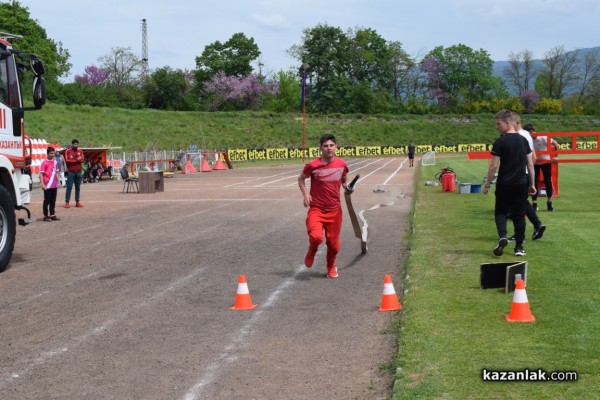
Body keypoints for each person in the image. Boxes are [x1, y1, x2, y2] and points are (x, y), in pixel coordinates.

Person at [482, 110, 536, 257]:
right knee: (519, 215)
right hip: (521, 183)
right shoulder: (523, 140)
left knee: (500, 212)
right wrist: (532, 184)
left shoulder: (500, 141)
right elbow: (530, 164)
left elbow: (493, 166)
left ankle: (503, 236)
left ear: (507, 123)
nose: (497, 127)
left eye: (498, 124)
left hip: (504, 183)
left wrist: (487, 184)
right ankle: (519, 248)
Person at [298, 134, 349, 279]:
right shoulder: (312, 165)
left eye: (331, 145)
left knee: (334, 246)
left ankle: (331, 266)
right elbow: (301, 179)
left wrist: (347, 187)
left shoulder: (342, 164)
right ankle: (312, 249)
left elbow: (344, 180)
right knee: (316, 237)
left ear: (336, 147)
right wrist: (305, 194)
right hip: (317, 209)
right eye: (325, 146)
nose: (329, 148)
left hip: (335, 210)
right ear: (320, 148)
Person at [526, 123, 559, 212]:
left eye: (527, 133)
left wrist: (556, 156)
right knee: (534, 182)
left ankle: (549, 202)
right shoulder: (528, 139)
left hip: (545, 161)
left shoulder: (543, 137)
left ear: (532, 132)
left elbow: (556, 144)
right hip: (535, 162)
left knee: (547, 181)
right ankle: (534, 203)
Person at [39, 146, 62, 221]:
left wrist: (59, 182)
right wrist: (42, 184)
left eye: (53, 153)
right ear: (47, 154)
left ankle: (52, 214)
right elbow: (41, 174)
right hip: (47, 185)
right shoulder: (44, 163)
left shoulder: (55, 162)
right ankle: (45, 215)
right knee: (47, 200)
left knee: (53, 200)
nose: (53, 155)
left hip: (54, 184)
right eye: (51, 153)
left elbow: (56, 173)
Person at [64, 139, 84, 208]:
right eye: (75, 144)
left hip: (78, 172)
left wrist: (77, 159)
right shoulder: (68, 151)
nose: (76, 145)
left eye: (77, 144)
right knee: (69, 187)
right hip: (71, 172)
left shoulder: (80, 151)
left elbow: (82, 160)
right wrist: (76, 160)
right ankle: (67, 202)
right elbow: (67, 160)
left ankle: (77, 202)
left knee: (78, 188)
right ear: (72, 144)